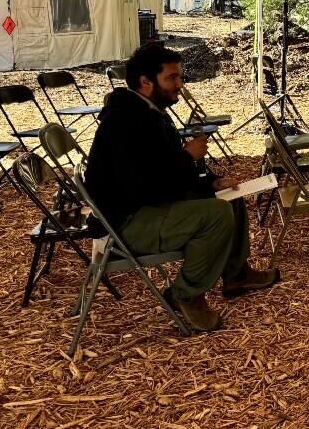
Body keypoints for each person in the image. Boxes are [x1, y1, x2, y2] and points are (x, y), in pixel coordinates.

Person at [84, 43, 278, 332]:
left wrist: (211, 182)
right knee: (216, 213)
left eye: (180, 77)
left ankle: (236, 274)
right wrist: (187, 157)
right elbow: (143, 187)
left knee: (229, 198)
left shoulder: (148, 111)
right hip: (126, 222)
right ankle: (186, 293)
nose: (180, 85)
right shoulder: (125, 122)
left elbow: (163, 172)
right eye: (172, 78)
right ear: (146, 82)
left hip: (146, 207)